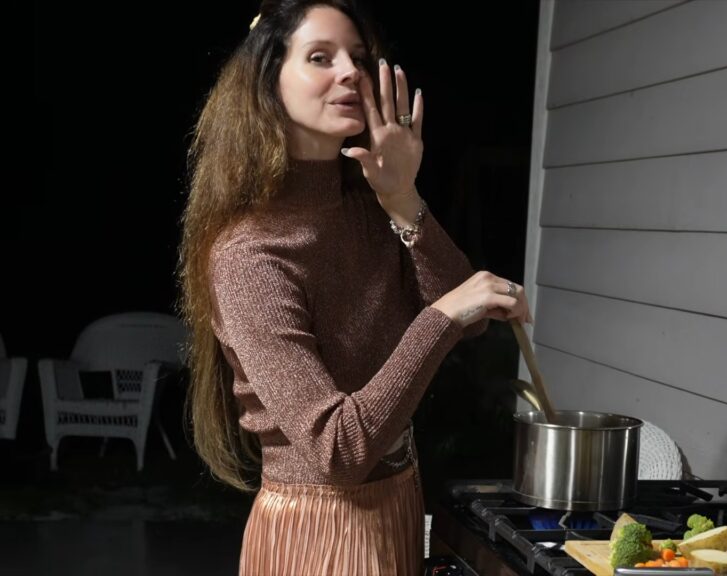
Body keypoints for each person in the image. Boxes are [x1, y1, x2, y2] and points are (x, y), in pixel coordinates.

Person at [177, 1, 532, 573]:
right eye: (321, 57)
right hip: (320, 527)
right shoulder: (250, 254)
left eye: (359, 58)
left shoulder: (367, 206)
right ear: (268, 82)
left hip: (396, 503)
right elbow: (338, 450)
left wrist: (403, 198)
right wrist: (442, 316)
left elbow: (470, 323)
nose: (350, 72)